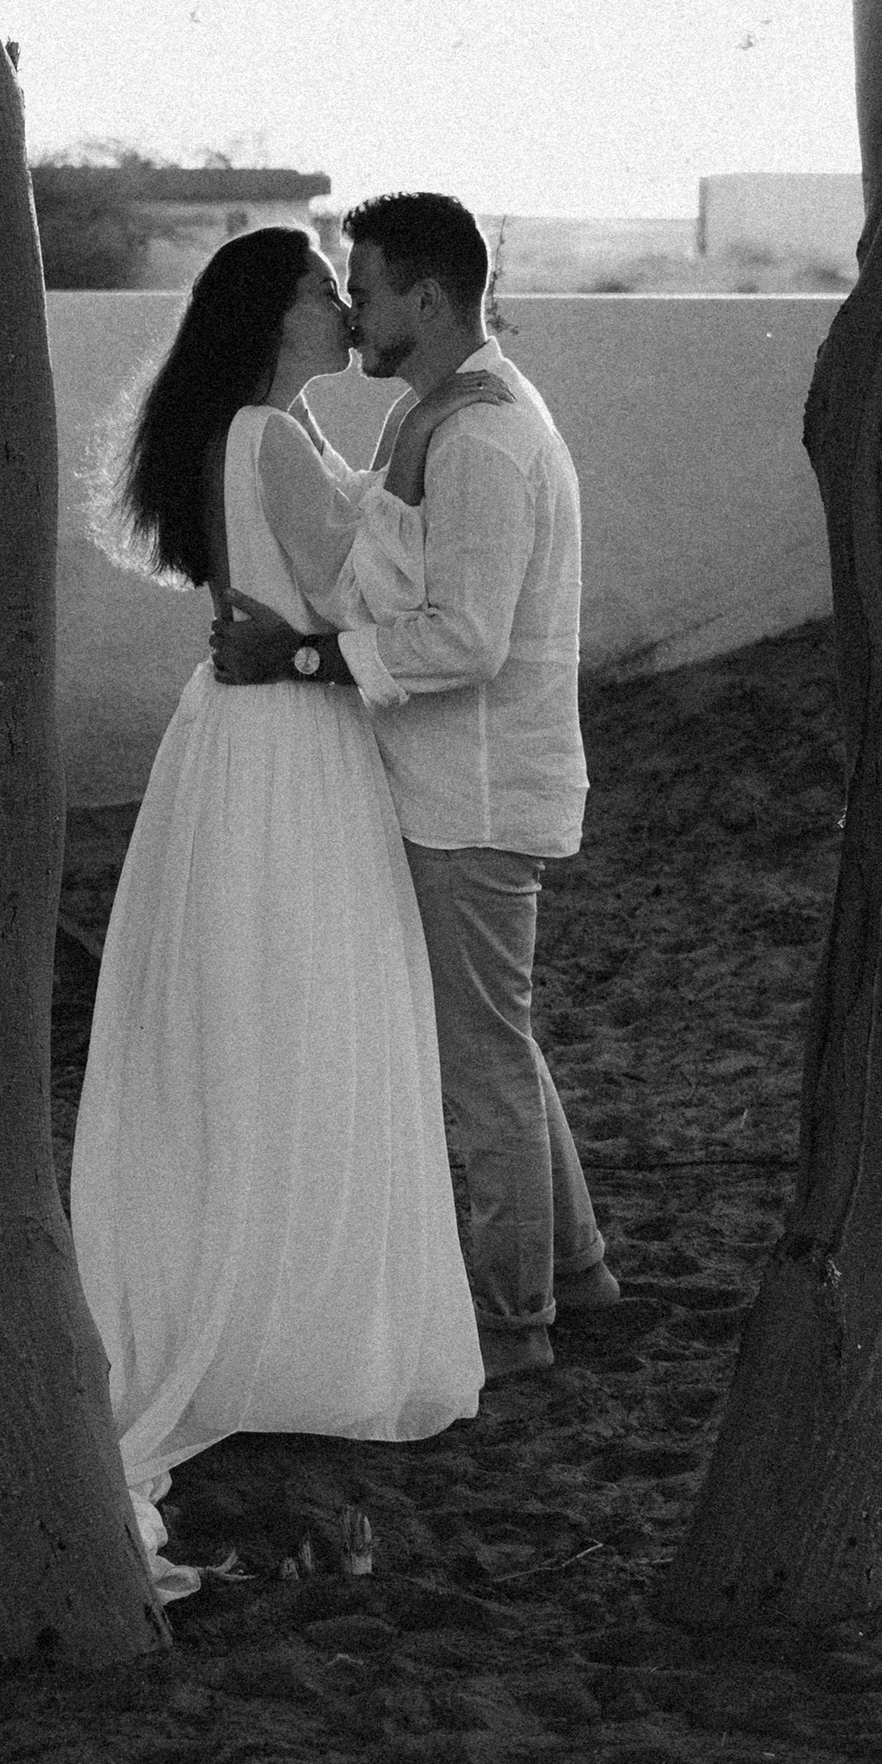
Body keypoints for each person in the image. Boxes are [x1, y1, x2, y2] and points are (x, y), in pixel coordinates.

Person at [71, 226, 500, 1600]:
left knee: (272, 1012)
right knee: (307, 1009)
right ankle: (286, 1321)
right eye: (323, 288)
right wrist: (427, 491)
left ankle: (272, 1297)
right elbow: (367, 596)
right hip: (286, 753)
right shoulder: (270, 439)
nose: (341, 306)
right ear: (275, 317)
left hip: (245, 736)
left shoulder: (269, 436)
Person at [213, 191, 616, 1383]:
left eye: (367, 290)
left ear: (428, 300)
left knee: (481, 1064)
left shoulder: (480, 439)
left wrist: (302, 658)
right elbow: (379, 555)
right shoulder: (432, 413)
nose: (352, 312)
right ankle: (579, 1274)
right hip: (452, 786)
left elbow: (467, 638)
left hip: (472, 799)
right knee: (497, 1041)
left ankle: (513, 1324)